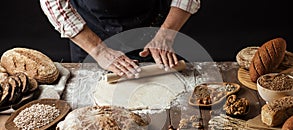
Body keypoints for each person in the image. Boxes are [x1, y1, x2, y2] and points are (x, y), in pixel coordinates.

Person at [40, 0, 200, 77]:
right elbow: (53, 3)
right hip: (92, 32)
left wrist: (166, 33)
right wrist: (98, 50)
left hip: (156, 25)